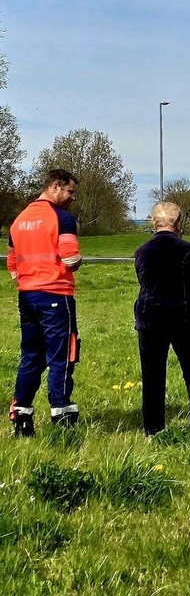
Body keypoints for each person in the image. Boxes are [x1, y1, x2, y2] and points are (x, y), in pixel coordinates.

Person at [6, 169, 82, 437]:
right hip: (56, 295)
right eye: (70, 191)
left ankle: (21, 414)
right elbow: (71, 258)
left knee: (30, 356)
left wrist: (27, 279)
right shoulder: (61, 218)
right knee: (62, 355)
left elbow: (12, 263)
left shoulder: (19, 219)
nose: (72, 197)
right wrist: (75, 263)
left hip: (26, 295)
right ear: (56, 186)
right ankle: (61, 413)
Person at [134, 202, 190, 436]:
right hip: (183, 316)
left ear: (154, 223)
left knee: (153, 375)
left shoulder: (142, 251)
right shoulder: (187, 249)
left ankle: (153, 429)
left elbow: (143, 281)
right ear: (178, 224)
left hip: (150, 317)